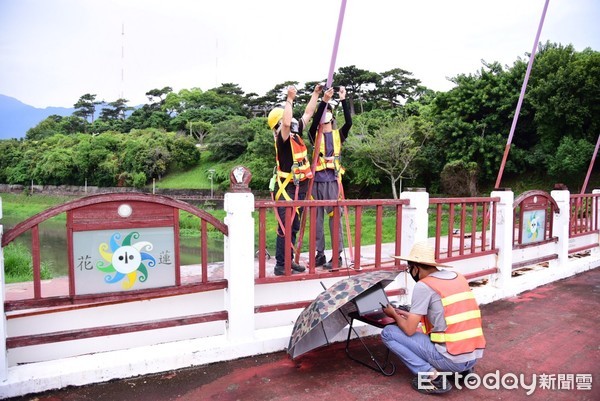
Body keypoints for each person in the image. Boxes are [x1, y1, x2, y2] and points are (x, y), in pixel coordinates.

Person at [380, 241, 486, 394]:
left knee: (388, 333)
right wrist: (407, 314)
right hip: (472, 357)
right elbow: (448, 312)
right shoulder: (458, 277)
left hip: (451, 360)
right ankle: (464, 371)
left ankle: (432, 377)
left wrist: (394, 315)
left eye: (410, 269)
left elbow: (409, 330)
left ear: (415, 268)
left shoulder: (424, 285)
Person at [268, 84, 322, 276]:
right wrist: (289, 99)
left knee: (294, 226)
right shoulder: (282, 139)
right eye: (286, 119)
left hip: (296, 189)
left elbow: (307, 113)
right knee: (286, 227)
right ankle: (281, 265)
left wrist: (315, 94)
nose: (291, 123)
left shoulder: (295, 134)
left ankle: (288, 261)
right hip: (286, 190)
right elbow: (285, 124)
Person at [308, 86, 352, 270]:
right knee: (316, 219)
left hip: (333, 182)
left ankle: (337, 256)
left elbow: (349, 122)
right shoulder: (313, 135)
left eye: (328, 112)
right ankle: (319, 254)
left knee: (335, 219)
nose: (325, 115)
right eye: (324, 112)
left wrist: (342, 99)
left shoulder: (338, 135)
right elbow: (315, 120)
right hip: (316, 182)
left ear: (332, 116)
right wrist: (323, 101)